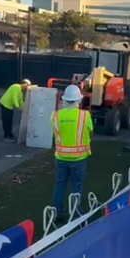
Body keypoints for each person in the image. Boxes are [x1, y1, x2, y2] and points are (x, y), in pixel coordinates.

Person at [52, 84, 93, 220]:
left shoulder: (56, 116)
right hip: (79, 158)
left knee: (60, 185)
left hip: (61, 158)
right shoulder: (84, 116)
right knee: (77, 187)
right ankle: (76, 215)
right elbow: (90, 132)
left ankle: (57, 214)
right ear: (79, 100)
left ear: (64, 100)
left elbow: (56, 134)